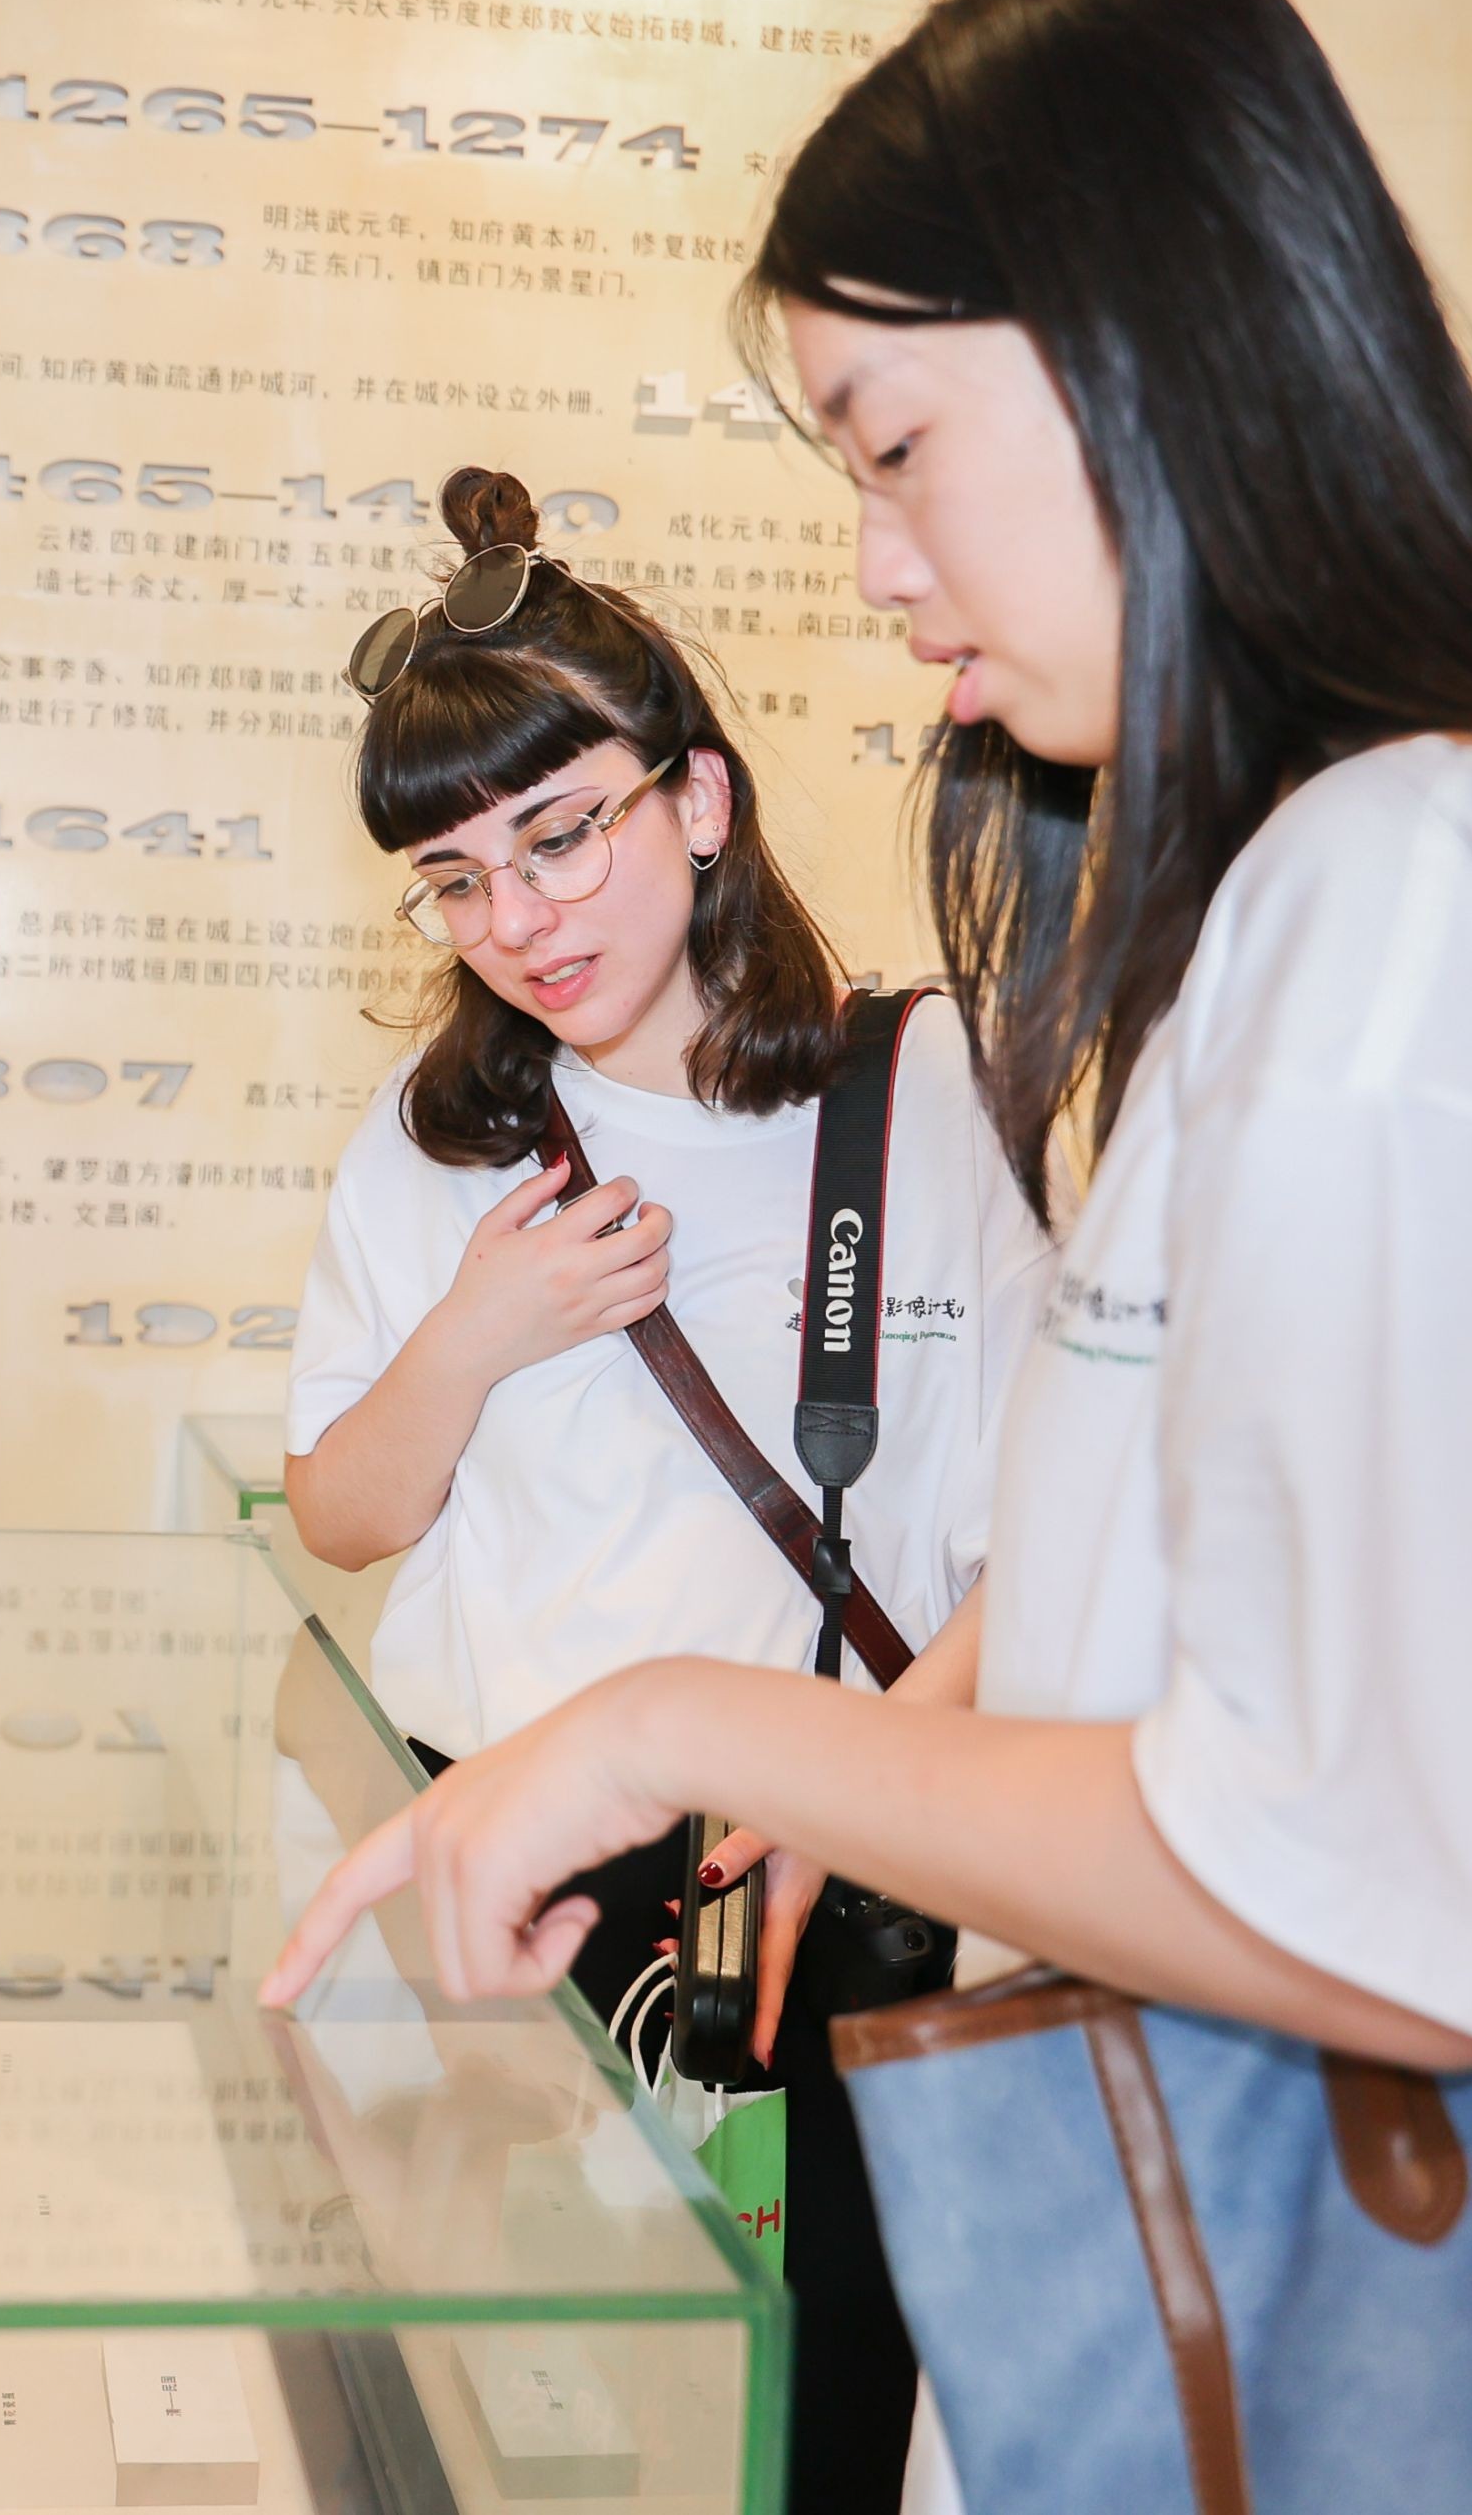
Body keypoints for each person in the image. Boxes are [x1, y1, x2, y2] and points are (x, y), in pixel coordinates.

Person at [264, 0, 1472, 2322]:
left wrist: (680, 1733)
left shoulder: (1415, 903)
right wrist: (842, 1755)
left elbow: (1375, 1886)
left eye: (899, 450)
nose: (874, 567)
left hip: (1404, 2320)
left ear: (1154, 352)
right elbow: (1168, 1576)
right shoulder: (1321, 894)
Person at [280, 464, 1046, 2510]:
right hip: (512, 1879)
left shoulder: (928, 1092)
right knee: (524, 2437)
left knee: (819, 2422)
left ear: (695, 799)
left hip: (849, 1877)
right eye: (454, 879)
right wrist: (474, 1331)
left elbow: (1062, 1533)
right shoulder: (437, 1142)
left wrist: (867, 1783)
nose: (516, 920)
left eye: (557, 835)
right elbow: (342, 1514)